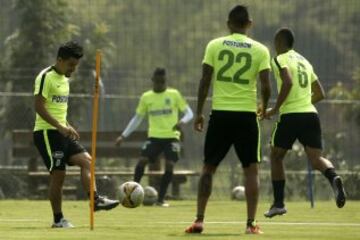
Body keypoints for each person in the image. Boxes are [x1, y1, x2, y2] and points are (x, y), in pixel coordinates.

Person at [185, 5, 271, 234]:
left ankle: (199, 220)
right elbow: (266, 86)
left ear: (228, 23)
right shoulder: (261, 50)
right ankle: (251, 225)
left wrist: (199, 111)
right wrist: (264, 105)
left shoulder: (214, 45)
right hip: (246, 116)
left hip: (220, 114)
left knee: (208, 167)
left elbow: (205, 80)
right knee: (251, 171)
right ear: (249, 23)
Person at [33, 41, 119, 228]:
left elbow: (57, 109)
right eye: (71, 64)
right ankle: (58, 220)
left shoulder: (65, 80)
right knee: (59, 175)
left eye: (76, 66)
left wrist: (67, 126)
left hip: (62, 131)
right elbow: (39, 107)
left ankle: (95, 201)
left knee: (87, 161)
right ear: (60, 60)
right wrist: (59, 126)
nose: (73, 69)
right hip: (47, 133)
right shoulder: (45, 77)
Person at [264, 28, 346, 218]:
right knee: (317, 159)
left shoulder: (279, 59)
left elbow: (288, 82)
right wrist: (304, 103)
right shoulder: (305, 62)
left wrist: (275, 109)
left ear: (279, 43)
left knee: (276, 156)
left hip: (290, 116)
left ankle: (278, 203)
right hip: (310, 115)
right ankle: (334, 177)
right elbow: (320, 93)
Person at [115, 67, 193, 207]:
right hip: (154, 137)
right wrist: (123, 135)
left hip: (172, 137)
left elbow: (189, 113)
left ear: (165, 81)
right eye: (157, 81)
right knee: (142, 161)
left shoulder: (174, 94)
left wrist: (182, 121)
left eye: (162, 81)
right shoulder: (146, 97)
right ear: (153, 81)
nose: (160, 84)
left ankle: (161, 199)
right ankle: (132, 194)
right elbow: (137, 119)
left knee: (169, 164)